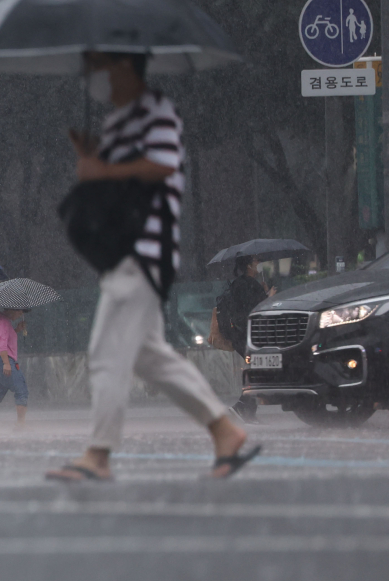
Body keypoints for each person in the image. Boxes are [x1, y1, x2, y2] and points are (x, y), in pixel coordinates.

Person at [46, 51, 259, 481]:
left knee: (107, 354)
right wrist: (93, 164)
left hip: (143, 251)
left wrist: (101, 167)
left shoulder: (155, 112)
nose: (97, 76)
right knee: (148, 357)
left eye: (103, 66)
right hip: (124, 251)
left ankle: (99, 454)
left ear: (126, 67)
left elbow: (162, 166)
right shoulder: (120, 123)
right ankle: (224, 431)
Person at [217, 256, 276, 424]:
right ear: (249, 265)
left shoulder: (242, 283)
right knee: (259, 369)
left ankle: (247, 409)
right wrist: (268, 297)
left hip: (242, 335)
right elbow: (253, 309)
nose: (259, 264)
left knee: (258, 370)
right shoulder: (246, 284)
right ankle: (243, 406)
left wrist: (263, 293)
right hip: (246, 335)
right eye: (257, 262)